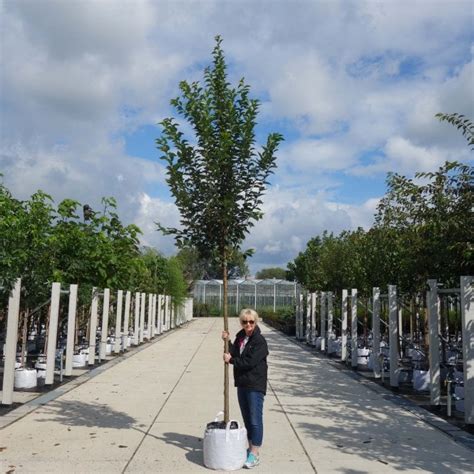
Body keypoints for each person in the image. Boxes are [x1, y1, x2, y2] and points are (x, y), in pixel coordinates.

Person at [222, 308, 269, 469]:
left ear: (256, 322)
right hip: (242, 383)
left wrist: (231, 361)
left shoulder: (260, 342)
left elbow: (249, 362)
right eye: (244, 322)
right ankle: (250, 448)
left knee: (255, 420)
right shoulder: (241, 337)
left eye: (251, 322)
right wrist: (227, 342)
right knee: (247, 418)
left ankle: (255, 453)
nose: (248, 324)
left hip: (255, 384)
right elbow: (234, 352)